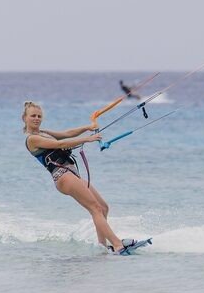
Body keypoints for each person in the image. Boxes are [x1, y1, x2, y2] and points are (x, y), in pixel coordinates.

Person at [21, 101, 130, 253]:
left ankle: (103, 247)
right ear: (25, 118)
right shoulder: (32, 139)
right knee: (95, 208)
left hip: (71, 174)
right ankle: (118, 245)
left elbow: (66, 134)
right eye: (33, 115)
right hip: (62, 176)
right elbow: (61, 144)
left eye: (39, 116)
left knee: (103, 207)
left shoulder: (43, 133)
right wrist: (87, 139)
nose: (37, 118)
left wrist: (87, 128)